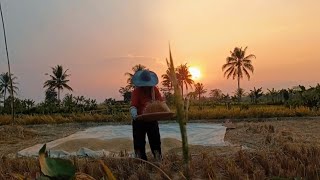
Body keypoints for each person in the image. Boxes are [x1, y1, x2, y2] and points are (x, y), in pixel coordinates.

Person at [130, 70, 163, 161]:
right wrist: (134, 114)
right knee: (139, 143)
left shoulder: (154, 90)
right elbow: (133, 106)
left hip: (152, 119)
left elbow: (160, 103)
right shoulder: (136, 91)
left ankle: (158, 159)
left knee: (155, 141)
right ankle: (141, 162)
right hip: (139, 120)